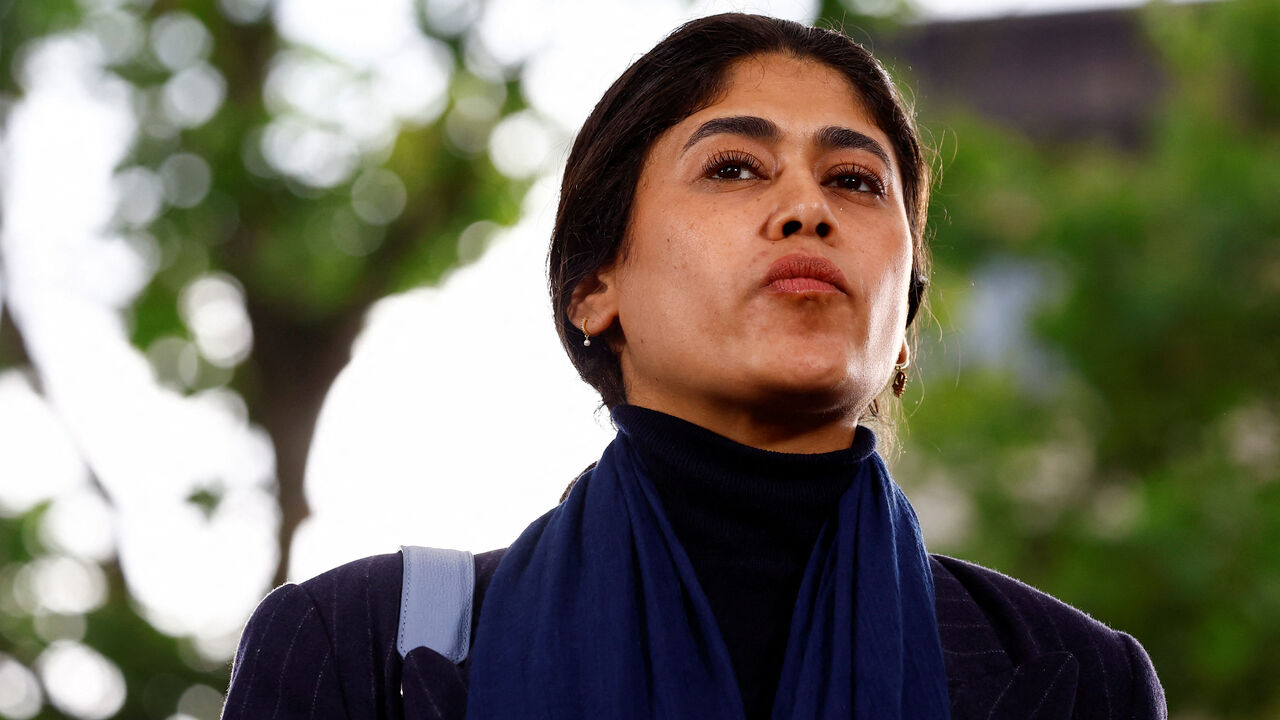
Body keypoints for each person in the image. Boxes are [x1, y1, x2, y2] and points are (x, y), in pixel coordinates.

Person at [221, 13, 1166, 720]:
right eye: (734, 169)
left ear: (905, 328)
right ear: (594, 288)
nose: (807, 209)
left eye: (855, 181)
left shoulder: (1082, 681)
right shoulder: (360, 651)